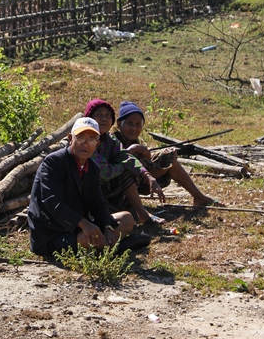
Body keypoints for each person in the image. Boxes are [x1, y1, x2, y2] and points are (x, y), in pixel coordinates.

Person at [28, 116, 138, 259]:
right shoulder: (54, 162)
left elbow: (98, 203)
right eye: (80, 138)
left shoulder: (92, 168)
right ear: (70, 138)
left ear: (97, 144)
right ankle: (118, 247)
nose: (85, 144)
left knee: (126, 218)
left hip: (78, 227)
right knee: (88, 238)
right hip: (51, 234)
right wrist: (84, 224)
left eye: (91, 139)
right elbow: (53, 203)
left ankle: (107, 245)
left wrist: (107, 226)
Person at [115, 101, 217, 209]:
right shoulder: (113, 139)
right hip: (120, 183)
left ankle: (199, 197)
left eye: (137, 124)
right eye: (129, 123)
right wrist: (134, 149)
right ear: (119, 124)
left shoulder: (136, 141)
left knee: (170, 160)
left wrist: (165, 155)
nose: (134, 128)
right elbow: (116, 161)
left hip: (141, 180)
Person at [83, 98, 166, 226]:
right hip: (87, 191)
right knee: (125, 170)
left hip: (106, 188)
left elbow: (126, 156)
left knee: (128, 168)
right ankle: (138, 215)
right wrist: (123, 166)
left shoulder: (109, 139)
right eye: (99, 114)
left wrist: (148, 176)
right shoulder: (86, 140)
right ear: (89, 118)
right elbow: (104, 172)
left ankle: (141, 214)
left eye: (107, 115)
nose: (104, 118)